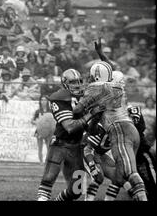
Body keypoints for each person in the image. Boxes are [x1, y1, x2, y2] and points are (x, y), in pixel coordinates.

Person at [73, 61, 148, 201]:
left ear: (95, 76)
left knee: (129, 172)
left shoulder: (96, 87)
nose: (89, 79)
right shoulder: (117, 88)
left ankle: (142, 197)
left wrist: (87, 114)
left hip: (117, 130)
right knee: (120, 176)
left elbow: (77, 112)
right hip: (130, 131)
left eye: (91, 76)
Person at [37, 69, 97, 201]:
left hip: (76, 147)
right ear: (65, 83)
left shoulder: (84, 98)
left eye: (79, 82)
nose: (77, 85)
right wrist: (90, 114)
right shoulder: (59, 98)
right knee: (47, 182)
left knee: (77, 190)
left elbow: (90, 126)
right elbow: (70, 126)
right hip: (60, 144)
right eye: (73, 82)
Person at [32, 96, 55, 164]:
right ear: (40, 101)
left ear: (47, 101)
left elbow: (55, 120)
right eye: (42, 100)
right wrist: (38, 122)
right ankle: (41, 162)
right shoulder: (38, 111)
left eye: (45, 100)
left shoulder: (51, 111)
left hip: (49, 132)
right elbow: (32, 121)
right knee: (40, 148)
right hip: (39, 131)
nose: (43, 101)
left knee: (49, 148)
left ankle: (47, 161)